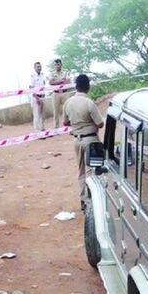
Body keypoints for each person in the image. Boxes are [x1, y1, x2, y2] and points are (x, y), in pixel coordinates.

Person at [63, 74, 104, 210]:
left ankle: (83, 200)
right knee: (92, 171)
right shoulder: (89, 103)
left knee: (81, 171)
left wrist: (76, 123)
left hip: (77, 140)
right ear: (88, 87)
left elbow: (65, 122)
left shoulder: (68, 103)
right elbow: (100, 124)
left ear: (76, 86)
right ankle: (93, 199)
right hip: (91, 140)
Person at [49, 59, 71, 128]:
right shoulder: (52, 73)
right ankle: (56, 127)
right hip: (56, 94)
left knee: (68, 109)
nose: (57, 66)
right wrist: (61, 80)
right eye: (55, 65)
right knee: (56, 111)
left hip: (65, 93)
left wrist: (56, 81)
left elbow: (67, 82)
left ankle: (68, 126)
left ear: (61, 65)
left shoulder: (66, 72)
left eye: (58, 64)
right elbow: (51, 83)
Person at [29, 61, 47, 133]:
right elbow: (31, 87)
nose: (39, 68)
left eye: (40, 66)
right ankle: (37, 132)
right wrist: (37, 98)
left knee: (43, 115)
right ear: (34, 68)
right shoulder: (32, 76)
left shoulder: (42, 75)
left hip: (43, 96)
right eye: (37, 67)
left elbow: (44, 84)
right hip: (36, 97)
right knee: (37, 115)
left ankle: (42, 129)